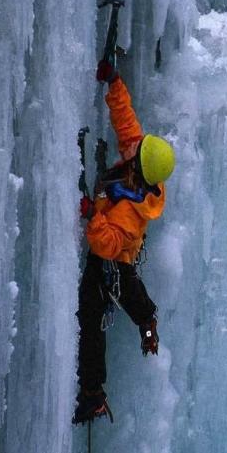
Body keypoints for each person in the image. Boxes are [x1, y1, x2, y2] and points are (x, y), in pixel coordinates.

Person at [72, 60, 176, 425]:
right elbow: (128, 126)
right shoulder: (140, 165)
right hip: (114, 251)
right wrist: (114, 83)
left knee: (91, 315)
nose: (131, 149)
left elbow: (106, 245)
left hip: (113, 261)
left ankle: (93, 394)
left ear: (140, 170)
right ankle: (146, 319)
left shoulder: (132, 214)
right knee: (119, 304)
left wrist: (91, 214)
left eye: (137, 152)